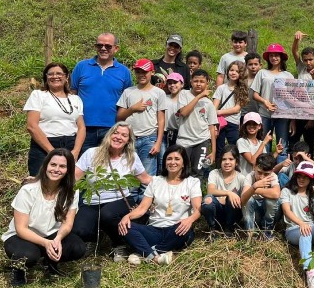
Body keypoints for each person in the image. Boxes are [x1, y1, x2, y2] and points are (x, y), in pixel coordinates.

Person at [2, 149, 85, 286]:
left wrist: (57, 239)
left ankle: (50, 263)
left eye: (62, 166)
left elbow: (67, 224)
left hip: (50, 235)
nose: (56, 169)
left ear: (68, 170)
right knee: (28, 255)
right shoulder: (29, 190)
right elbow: (21, 228)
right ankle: (18, 271)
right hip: (22, 236)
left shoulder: (72, 192)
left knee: (77, 247)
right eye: (53, 165)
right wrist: (45, 243)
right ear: (46, 165)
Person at [72, 122, 151, 261]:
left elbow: (145, 179)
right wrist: (42, 181)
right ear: (109, 135)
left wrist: (171, 182)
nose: (119, 137)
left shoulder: (130, 156)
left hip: (120, 200)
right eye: (116, 133)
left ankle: (119, 244)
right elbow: (74, 176)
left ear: (128, 141)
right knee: (79, 229)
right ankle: (93, 239)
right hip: (93, 200)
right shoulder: (92, 153)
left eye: (124, 135)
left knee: (107, 214)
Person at [118, 144, 201, 265]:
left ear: (183, 163)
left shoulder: (192, 182)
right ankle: (156, 257)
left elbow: (198, 209)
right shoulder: (156, 181)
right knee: (126, 226)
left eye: (177, 159)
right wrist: (127, 217)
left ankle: (145, 252)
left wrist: (190, 220)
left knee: (187, 233)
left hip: (176, 229)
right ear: (165, 161)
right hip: (155, 229)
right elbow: (142, 208)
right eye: (169, 159)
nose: (172, 162)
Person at [70, 32, 132, 152]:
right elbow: (72, 94)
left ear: (116, 48)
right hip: (83, 128)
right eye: (99, 45)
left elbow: (127, 100)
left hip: (112, 129)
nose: (103, 48)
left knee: (109, 166)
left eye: (108, 46)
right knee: (84, 166)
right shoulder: (81, 66)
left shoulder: (124, 72)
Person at [116, 58, 166, 198]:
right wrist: (132, 108)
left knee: (147, 179)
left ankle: (145, 213)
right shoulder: (128, 92)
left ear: (152, 72)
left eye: (144, 72)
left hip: (149, 139)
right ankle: (131, 210)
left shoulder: (158, 93)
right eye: (138, 72)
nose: (141, 75)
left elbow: (161, 120)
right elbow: (119, 117)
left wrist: (158, 142)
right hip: (129, 141)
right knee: (129, 180)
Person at [280, 161, 314, 288]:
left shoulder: (312, 195)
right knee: (306, 231)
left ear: (311, 179)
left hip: (309, 228)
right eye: (299, 176)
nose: (301, 179)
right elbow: (287, 211)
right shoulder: (287, 191)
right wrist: (301, 223)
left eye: (305, 177)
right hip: (293, 230)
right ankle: (310, 273)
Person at [24, 63, 85, 175]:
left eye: (59, 73)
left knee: (68, 183)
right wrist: (51, 151)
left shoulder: (75, 99)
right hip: (44, 145)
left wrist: (76, 151)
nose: (55, 76)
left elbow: (81, 127)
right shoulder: (38, 95)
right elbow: (32, 126)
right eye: (50, 74)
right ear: (46, 77)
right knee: (40, 182)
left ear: (66, 77)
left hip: (70, 145)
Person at [251, 44, 295, 153]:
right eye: (271, 55)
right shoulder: (262, 73)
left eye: (276, 55)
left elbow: (293, 99)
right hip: (264, 113)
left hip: (283, 114)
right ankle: (264, 167)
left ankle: (282, 168)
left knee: (282, 144)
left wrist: (293, 120)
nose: (274, 58)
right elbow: (255, 94)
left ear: (281, 57)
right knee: (264, 143)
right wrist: (265, 101)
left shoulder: (288, 75)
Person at [175, 69, 218, 179]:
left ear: (207, 83)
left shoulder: (209, 103)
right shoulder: (184, 94)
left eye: (202, 81)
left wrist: (213, 151)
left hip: (201, 141)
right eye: (196, 81)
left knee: (198, 172)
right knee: (180, 170)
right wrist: (199, 97)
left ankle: (196, 196)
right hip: (184, 140)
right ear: (191, 82)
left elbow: (212, 127)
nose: (198, 84)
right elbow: (184, 112)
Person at [202, 144, 246, 236]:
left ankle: (229, 227)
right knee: (207, 200)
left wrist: (230, 197)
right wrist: (229, 193)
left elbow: (244, 199)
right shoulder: (214, 173)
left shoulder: (241, 178)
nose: (227, 162)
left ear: (236, 162)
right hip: (217, 210)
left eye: (231, 159)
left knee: (233, 198)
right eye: (224, 159)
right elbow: (211, 191)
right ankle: (213, 227)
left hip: (233, 212)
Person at [289, 31, 314, 157]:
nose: (308, 62)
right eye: (305, 60)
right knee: (293, 138)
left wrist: (313, 119)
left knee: (309, 141)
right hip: (298, 110)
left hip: (310, 113)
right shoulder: (301, 68)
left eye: (311, 60)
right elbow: (294, 52)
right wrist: (297, 40)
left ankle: (309, 163)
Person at [240, 153, 281, 239]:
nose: (262, 177)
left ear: (272, 171)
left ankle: (267, 230)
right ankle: (251, 232)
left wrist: (254, 189)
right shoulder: (249, 177)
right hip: (255, 213)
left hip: (269, 214)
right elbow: (243, 200)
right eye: (259, 172)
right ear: (254, 167)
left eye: (266, 174)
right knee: (248, 200)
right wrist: (254, 186)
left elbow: (276, 194)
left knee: (272, 200)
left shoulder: (273, 176)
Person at [213, 61, 246, 162]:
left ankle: (233, 168)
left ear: (241, 74)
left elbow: (237, 108)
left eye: (237, 71)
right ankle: (218, 168)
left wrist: (219, 112)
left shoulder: (242, 89)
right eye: (231, 70)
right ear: (227, 72)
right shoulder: (221, 88)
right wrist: (215, 116)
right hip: (220, 122)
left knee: (233, 147)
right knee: (219, 147)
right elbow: (214, 106)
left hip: (233, 123)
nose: (233, 73)